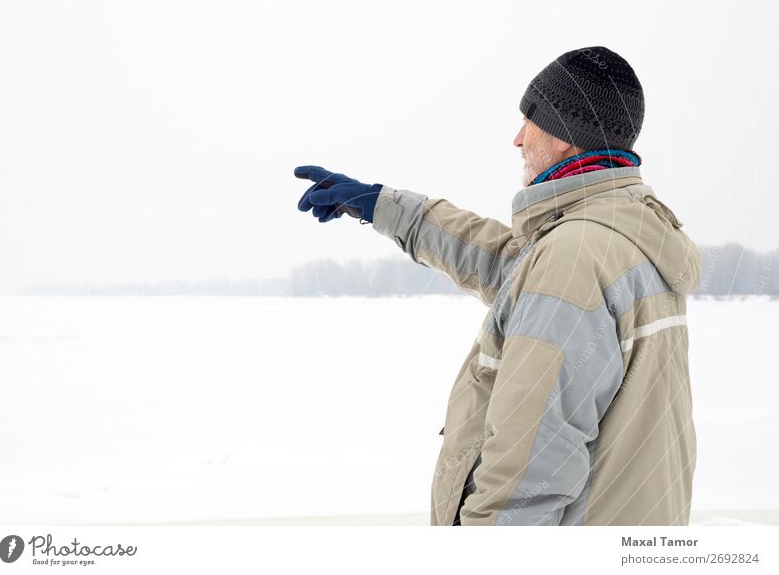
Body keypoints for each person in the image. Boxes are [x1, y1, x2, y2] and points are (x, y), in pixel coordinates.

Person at [294, 46, 701, 526]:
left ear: (567, 137)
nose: (517, 138)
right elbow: (506, 263)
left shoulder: (573, 257)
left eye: (531, 120)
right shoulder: (623, 234)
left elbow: (526, 478)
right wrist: (383, 205)